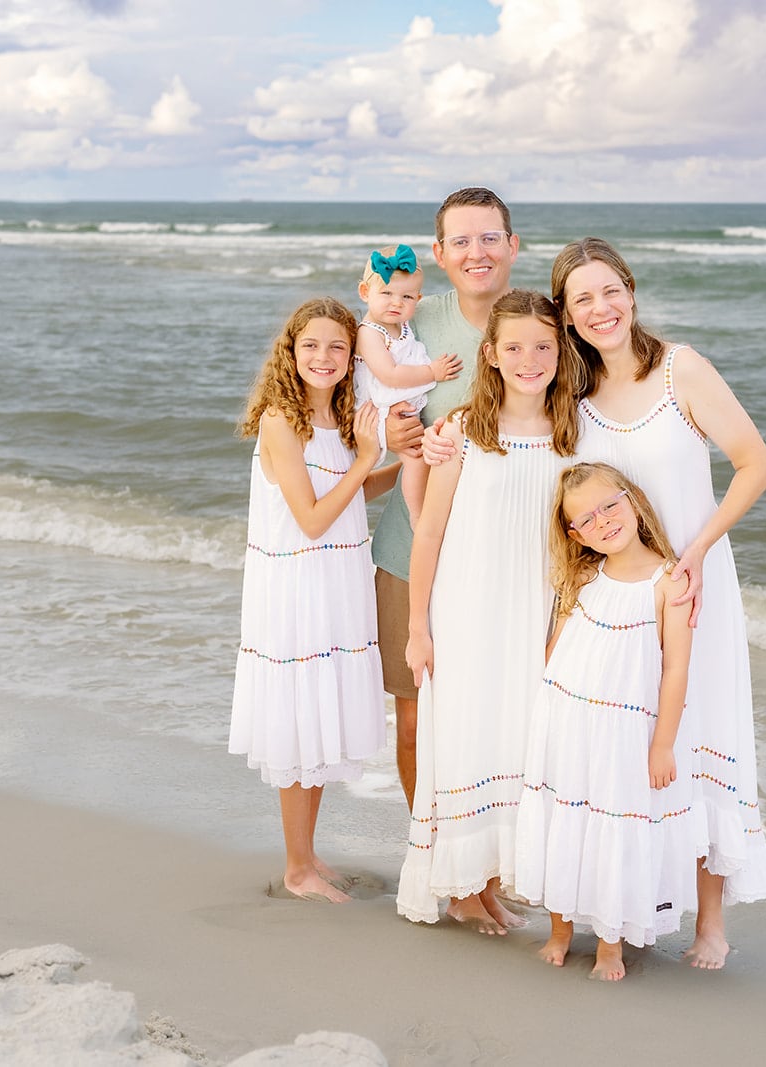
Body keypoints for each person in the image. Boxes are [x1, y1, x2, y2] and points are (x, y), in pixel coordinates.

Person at [551, 237, 766, 968]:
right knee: (632, 750)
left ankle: (710, 922)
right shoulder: (576, 396)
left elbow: (755, 464)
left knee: (707, 740)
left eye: (609, 290)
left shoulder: (683, 370)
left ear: (631, 290)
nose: (600, 308)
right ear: (567, 314)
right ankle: (627, 897)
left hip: (691, 587)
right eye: (582, 298)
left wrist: (699, 549)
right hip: (617, 606)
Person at [396, 289, 583, 933]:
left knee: (520, 736)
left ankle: (490, 878)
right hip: (468, 607)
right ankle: (459, 887)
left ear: (561, 350)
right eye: (515, 347)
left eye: (543, 346)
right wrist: (418, 627)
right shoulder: (463, 431)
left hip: (533, 608)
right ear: (492, 355)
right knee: (467, 734)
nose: (530, 359)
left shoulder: (573, 434)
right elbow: (429, 533)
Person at [229, 297, 398, 904]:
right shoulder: (282, 419)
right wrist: (370, 461)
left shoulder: (341, 417)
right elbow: (311, 518)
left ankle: (308, 853)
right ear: (291, 352)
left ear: (353, 356)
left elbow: (347, 492)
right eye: (311, 346)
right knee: (302, 724)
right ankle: (296, 869)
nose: (324, 357)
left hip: (336, 584)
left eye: (337, 347)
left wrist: (400, 467)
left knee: (321, 720)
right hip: (299, 589)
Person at [514, 463, 702, 981]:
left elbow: (676, 669)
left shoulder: (669, 581)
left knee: (612, 828)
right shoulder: (582, 574)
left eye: (609, 506)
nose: (602, 522)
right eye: (587, 519)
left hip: (624, 734)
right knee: (564, 820)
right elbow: (558, 645)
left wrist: (663, 745)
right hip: (569, 722)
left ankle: (610, 945)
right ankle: (558, 930)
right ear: (574, 534)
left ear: (633, 500)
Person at [370, 188, 519, 813]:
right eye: (460, 240)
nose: (475, 252)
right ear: (439, 252)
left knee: (496, 720)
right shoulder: (412, 317)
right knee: (415, 723)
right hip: (410, 551)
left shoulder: (540, 326)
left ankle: (487, 862)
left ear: (513, 245)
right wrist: (380, 433)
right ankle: (430, 854)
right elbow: (348, 382)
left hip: (502, 560)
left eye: (489, 238)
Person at [353, 244, 463, 527]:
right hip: (380, 408)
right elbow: (389, 374)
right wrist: (432, 372)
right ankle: (418, 518)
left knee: (428, 452)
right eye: (386, 293)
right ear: (365, 293)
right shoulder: (369, 333)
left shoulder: (400, 327)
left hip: (399, 404)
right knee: (415, 459)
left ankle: (435, 507)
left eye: (406, 297)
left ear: (418, 299)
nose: (396, 303)